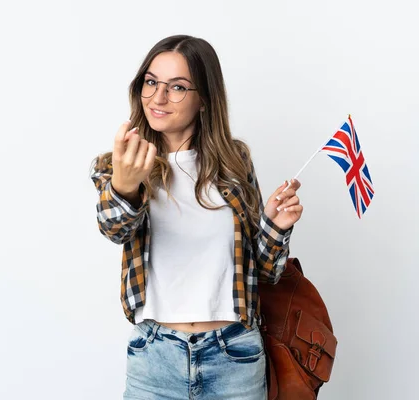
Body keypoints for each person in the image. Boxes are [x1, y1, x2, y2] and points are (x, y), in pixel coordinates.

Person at [90, 34, 303, 400]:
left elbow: (265, 272)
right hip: (154, 358)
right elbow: (115, 229)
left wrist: (275, 227)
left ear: (204, 98)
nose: (158, 97)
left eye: (177, 87)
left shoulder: (234, 165)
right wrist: (125, 187)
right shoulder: (119, 163)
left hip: (234, 357)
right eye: (151, 82)